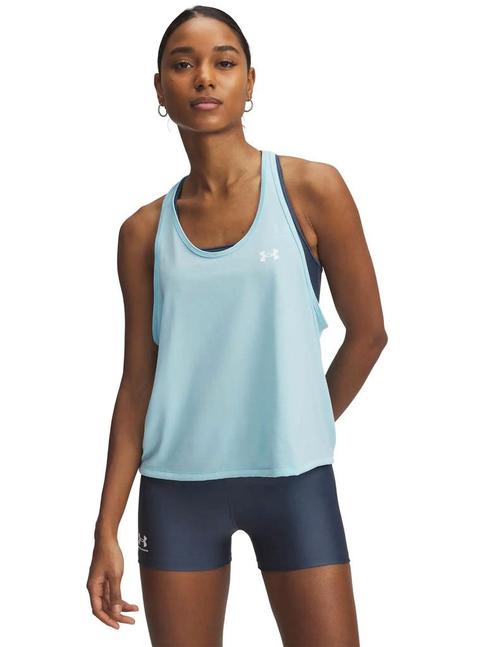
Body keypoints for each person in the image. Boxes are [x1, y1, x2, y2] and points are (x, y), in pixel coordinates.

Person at [87, 6, 387, 646]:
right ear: (159, 88)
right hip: (177, 491)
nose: (204, 77)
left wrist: (301, 421)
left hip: (295, 483)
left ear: (250, 81)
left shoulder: (312, 189)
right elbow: (138, 383)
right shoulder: (143, 232)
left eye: (223, 63)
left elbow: (369, 335)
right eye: (183, 64)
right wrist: (105, 527)